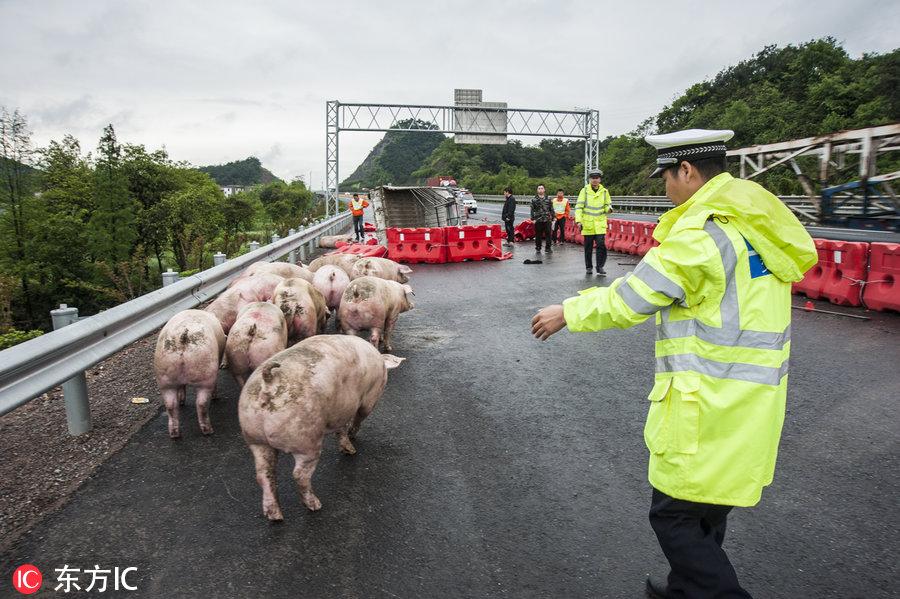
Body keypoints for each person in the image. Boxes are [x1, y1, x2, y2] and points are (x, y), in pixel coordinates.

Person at [531, 129, 817, 599]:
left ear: (687, 171)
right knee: (707, 507)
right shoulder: (754, 227)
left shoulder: (701, 236)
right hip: (749, 400)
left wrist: (569, 311)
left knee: (674, 514)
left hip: (705, 400)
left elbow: (633, 297)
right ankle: (688, 589)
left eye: (665, 175)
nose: (664, 187)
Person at [575, 169, 611, 275]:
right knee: (588, 247)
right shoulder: (584, 191)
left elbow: (607, 205)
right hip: (588, 224)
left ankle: (600, 267)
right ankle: (589, 267)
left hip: (600, 224)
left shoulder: (605, 191)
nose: (595, 180)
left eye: (597, 178)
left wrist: (609, 209)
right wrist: (578, 221)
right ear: (589, 179)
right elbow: (579, 207)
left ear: (600, 179)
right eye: (593, 178)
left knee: (601, 245)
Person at [530, 184, 553, 253]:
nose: (540, 189)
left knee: (548, 234)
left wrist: (553, 217)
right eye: (539, 188)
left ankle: (548, 248)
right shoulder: (534, 199)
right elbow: (532, 210)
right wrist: (533, 219)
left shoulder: (548, 199)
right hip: (538, 219)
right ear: (537, 190)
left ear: (544, 190)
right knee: (538, 235)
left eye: (542, 188)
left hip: (547, 219)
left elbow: (551, 209)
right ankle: (538, 247)